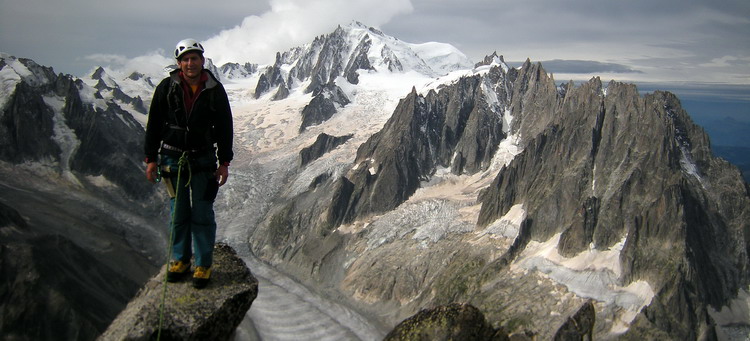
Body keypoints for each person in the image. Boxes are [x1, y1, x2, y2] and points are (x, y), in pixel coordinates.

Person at [144, 38, 234, 289]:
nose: (190, 63)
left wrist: (224, 161)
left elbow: (225, 126)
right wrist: (151, 158)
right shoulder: (166, 88)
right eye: (185, 59)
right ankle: (180, 260)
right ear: (179, 63)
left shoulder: (214, 90)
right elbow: (154, 124)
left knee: (203, 212)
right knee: (179, 212)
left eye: (194, 58)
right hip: (172, 159)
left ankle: (203, 264)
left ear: (202, 61)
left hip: (203, 159)